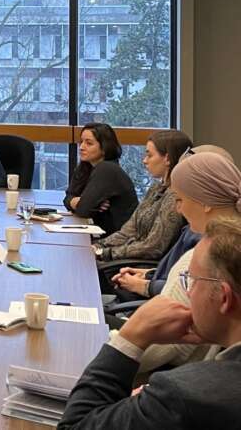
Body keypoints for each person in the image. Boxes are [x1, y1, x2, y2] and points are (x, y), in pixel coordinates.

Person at [58, 216, 241, 428]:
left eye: (190, 280)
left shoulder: (182, 394)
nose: (188, 292)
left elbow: (74, 426)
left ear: (224, 298)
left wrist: (130, 338)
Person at [120, 150, 241, 374]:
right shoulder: (227, 247)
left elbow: (164, 346)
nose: (178, 208)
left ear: (204, 202)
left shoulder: (201, 258)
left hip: (170, 377)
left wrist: (111, 349)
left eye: (179, 199)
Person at [106, 145, 233, 301]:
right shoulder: (193, 231)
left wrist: (146, 285)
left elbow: (184, 299)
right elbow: (176, 277)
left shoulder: (211, 246)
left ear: (206, 199)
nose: (178, 209)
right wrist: (150, 274)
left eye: (180, 199)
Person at [95, 130, 192, 263]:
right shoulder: (155, 188)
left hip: (143, 266)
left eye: (150, 155)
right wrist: (99, 245)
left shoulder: (176, 196)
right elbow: (128, 231)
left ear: (168, 159)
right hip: (127, 256)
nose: (144, 161)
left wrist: (104, 253)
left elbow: (153, 247)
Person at [64, 122, 139, 236]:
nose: (82, 147)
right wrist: (79, 201)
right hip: (97, 233)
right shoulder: (85, 166)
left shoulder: (107, 169)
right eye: (81, 142)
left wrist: (82, 203)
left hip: (116, 240)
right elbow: (67, 198)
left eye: (89, 143)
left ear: (104, 148)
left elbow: (83, 210)